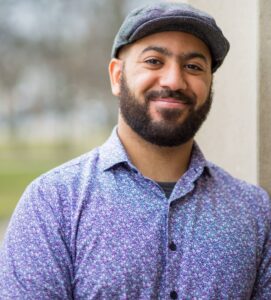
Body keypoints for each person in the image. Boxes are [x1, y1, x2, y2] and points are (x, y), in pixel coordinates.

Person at [0, 2, 270, 299]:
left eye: (193, 67)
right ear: (117, 76)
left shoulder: (254, 211)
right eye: (154, 61)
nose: (173, 81)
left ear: (209, 83)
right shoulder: (53, 204)